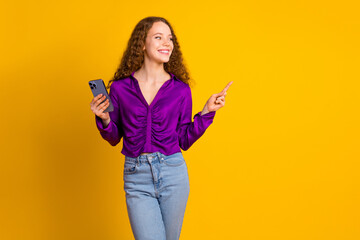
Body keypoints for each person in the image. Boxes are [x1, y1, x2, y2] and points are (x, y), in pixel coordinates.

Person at [90, 16, 232, 240]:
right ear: (142, 44)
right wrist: (105, 119)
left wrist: (206, 112)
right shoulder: (120, 88)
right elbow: (114, 136)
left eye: (170, 38)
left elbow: (184, 139)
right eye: (158, 37)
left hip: (173, 173)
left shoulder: (181, 90)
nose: (167, 43)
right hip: (137, 177)